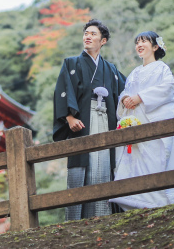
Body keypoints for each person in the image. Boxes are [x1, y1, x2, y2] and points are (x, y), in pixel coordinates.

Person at [109, 30, 174, 210]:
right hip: (136, 119)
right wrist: (125, 99)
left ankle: (163, 201)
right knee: (137, 159)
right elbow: (126, 91)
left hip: (152, 119)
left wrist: (140, 97)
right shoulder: (134, 73)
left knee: (157, 158)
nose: (139, 45)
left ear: (155, 46)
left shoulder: (162, 68)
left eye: (144, 42)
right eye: (137, 42)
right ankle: (138, 201)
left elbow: (168, 89)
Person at [53, 19, 126, 221]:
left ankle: (105, 214)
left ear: (103, 41)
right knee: (83, 164)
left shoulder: (110, 69)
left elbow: (126, 93)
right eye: (86, 33)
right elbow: (61, 91)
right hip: (83, 123)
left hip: (106, 122)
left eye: (93, 34)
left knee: (105, 163)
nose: (87, 36)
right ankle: (78, 221)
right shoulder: (71, 64)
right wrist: (69, 118)